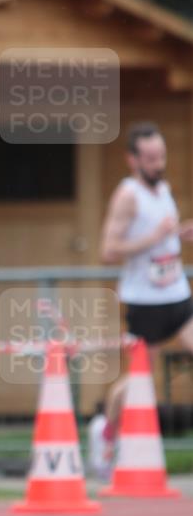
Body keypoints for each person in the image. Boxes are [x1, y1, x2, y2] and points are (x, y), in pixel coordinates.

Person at [89, 121, 193, 479]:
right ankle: (106, 429)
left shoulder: (163, 188)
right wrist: (154, 237)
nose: (158, 164)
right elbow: (108, 250)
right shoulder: (127, 195)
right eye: (150, 158)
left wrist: (179, 234)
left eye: (161, 156)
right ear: (132, 160)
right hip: (145, 304)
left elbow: (163, 237)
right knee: (139, 379)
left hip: (177, 294)